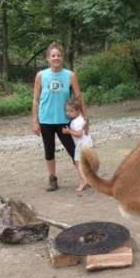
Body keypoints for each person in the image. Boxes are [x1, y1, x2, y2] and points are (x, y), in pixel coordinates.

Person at [31, 42, 86, 191]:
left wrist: (85, 119)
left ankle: (83, 178)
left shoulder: (70, 75)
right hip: (46, 119)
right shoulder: (41, 75)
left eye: (58, 55)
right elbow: (35, 99)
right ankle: (52, 178)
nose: (56, 58)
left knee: (73, 150)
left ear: (62, 57)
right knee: (49, 150)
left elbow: (79, 97)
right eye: (53, 56)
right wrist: (35, 120)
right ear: (48, 58)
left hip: (64, 120)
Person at [62, 97, 93, 191]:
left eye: (71, 111)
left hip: (81, 145)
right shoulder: (82, 119)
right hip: (88, 144)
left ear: (78, 110)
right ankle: (89, 179)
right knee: (86, 163)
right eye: (67, 111)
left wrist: (68, 131)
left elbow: (79, 134)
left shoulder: (76, 122)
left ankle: (84, 181)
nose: (68, 113)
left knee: (78, 163)